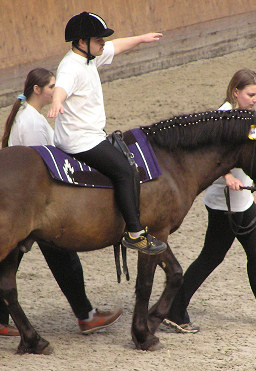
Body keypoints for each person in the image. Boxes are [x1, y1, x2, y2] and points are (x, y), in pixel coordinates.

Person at [0, 68, 122, 337]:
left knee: (7, 258)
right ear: (37, 90)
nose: (55, 91)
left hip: (23, 201)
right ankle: (86, 315)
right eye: (51, 87)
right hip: (35, 203)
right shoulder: (32, 122)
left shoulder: (28, 116)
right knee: (63, 255)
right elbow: (42, 166)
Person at [163, 68, 256, 333]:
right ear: (235, 92)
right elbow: (209, 155)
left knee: (253, 254)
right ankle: (174, 308)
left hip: (243, 201)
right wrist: (226, 175)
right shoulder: (221, 119)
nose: (255, 100)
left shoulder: (248, 118)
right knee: (212, 257)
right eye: (251, 94)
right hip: (224, 203)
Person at [47, 11, 167, 255]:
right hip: (79, 139)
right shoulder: (70, 67)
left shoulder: (89, 57)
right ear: (82, 42)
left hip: (92, 134)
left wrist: (141, 38)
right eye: (98, 39)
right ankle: (134, 233)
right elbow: (61, 87)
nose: (103, 43)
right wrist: (57, 102)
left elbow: (116, 46)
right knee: (125, 170)